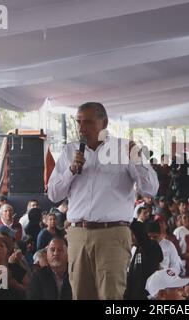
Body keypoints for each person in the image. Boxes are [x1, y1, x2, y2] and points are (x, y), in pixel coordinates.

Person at [47, 102, 158, 300]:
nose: (82, 128)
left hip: (112, 234)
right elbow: (53, 195)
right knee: (80, 295)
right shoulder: (70, 151)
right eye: (79, 122)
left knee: (110, 296)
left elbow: (150, 189)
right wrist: (71, 170)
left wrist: (136, 158)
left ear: (104, 123)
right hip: (77, 234)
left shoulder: (123, 149)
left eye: (88, 122)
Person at [124, 219, 163, 300]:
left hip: (147, 296)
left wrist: (129, 218)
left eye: (133, 234)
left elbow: (143, 238)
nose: (131, 236)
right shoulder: (136, 249)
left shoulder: (153, 246)